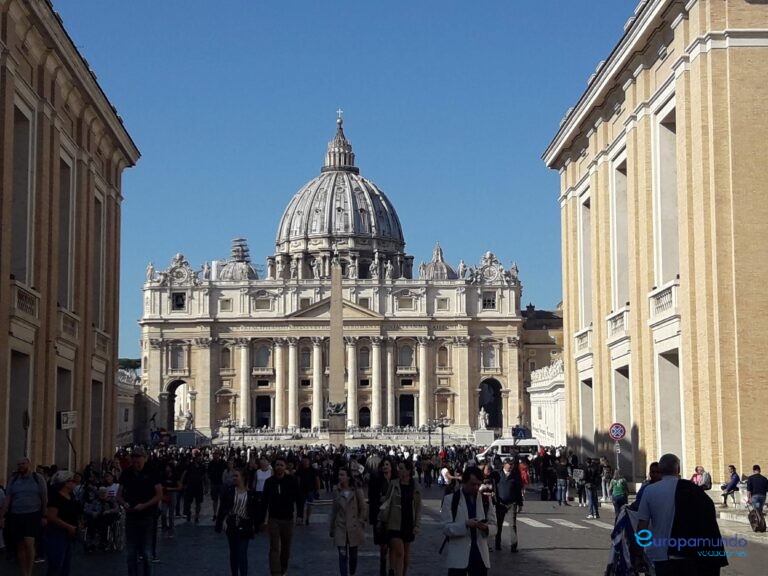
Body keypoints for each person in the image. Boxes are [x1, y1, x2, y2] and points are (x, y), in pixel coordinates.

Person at [637, 453, 727, 575]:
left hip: (658, 555)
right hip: (688, 555)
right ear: (678, 469)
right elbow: (708, 524)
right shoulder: (693, 490)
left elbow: (642, 525)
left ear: (660, 470)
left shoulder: (649, 490)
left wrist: (638, 553)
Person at [441, 466, 497, 576]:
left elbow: (494, 526)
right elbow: (446, 528)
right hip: (458, 558)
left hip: (480, 556)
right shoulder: (450, 500)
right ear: (464, 482)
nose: (476, 487)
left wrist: (486, 528)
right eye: (473, 484)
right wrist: (465, 525)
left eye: (478, 484)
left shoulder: (486, 500)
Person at [118, 447, 162, 576]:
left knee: (147, 553)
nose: (136, 465)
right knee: (130, 553)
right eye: (134, 462)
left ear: (145, 459)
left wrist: (144, 505)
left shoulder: (153, 472)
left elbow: (159, 495)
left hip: (147, 516)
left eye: (139, 462)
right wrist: (124, 503)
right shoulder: (126, 473)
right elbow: (119, 495)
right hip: (131, 516)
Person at [0, 457, 47, 576]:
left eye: (23, 463)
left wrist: (44, 515)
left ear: (29, 464)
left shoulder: (38, 479)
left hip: (33, 514)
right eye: (18, 464)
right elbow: (8, 498)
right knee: (20, 545)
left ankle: (30, 572)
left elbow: (44, 498)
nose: (20, 466)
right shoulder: (14, 479)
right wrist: (2, 516)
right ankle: (24, 573)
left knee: (29, 542)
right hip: (16, 514)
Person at [257, 457, 303, 576]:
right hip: (274, 518)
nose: (279, 467)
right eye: (277, 465)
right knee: (274, 547)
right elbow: (264, 502)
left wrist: (300, 515)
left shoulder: (292, 481)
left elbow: (299, 498)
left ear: (285, 467)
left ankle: (283, 568)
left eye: (281, 465)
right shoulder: (269, 482)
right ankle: (275, 572)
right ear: (274, 466)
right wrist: (261, 519)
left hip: (288, 518)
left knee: (286, 548)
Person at [381, 460, 422, 576]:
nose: (399, 470)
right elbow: (386, 502)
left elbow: (418, 508)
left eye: (402, 468)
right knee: (400, 552)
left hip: (408, 522)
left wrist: (417, 525)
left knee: (405, 554)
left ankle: (399, 572)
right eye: (398, 468)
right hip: (394, 522)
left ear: (408, 471)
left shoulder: (415, 486)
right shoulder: (393, 484)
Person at [216, 468, 258, 576]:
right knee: (234, 553)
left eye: (236, 476)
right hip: (232, 525)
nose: (234, 478)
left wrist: (256, 524)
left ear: (243, 477)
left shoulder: (251, 494)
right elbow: (223, 508)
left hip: (245, 525)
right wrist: (221, 522)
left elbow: (254, 511)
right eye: (233, 476)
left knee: (242, 553)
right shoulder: (229, 491)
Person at [330, 468, 366, 576]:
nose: (340, 477)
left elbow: (363, 507)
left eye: (342, 475)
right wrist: (332, 528)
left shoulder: (356, 491)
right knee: (342, 556)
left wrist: (360, 521)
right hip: (341, 527)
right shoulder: (336, 491)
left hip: (353, 527)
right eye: (339, 475)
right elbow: (334, 511)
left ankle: (352, 573)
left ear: (348, 477)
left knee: (353, 556)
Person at [44, 471, 80, 576]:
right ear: (65, 483)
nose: (75, 483)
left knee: (65, 565)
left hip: (68, 535)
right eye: (73, 480)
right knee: (56, 564)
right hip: (56, 533)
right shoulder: (56, 497)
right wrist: (68, 526)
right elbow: (51, 517)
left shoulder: (71, 496)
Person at [368, 457, 394, 576]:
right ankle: (383, 564)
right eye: (383, 465)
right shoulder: (376, 480)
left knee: (393, 544)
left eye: (387, 464)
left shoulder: (395, 480)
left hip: (394, 516)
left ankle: (392, 568)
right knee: (383, 545)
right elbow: (371, 499)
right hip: (381, 516)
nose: (385, 467)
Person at [493, 458, 522, 553]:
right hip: (500, 503)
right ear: (504, 465)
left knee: (513, 525)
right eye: (509, 464)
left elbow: (518, 490)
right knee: (499, 524)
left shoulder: (515, 475)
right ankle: (497, 544)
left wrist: (520, 503)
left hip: (512, 503)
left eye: (512, 465)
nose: (511, 466)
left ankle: (514, 546)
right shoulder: (498, 474)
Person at [297, 455, 320, 525]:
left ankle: (307, 518)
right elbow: (298, 480)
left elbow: (317, 480)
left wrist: (318, 489)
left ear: (309, 461)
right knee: (300, 505)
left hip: (311, 490)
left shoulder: (313, 470)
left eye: (306, 461)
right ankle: (300, 518)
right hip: (301, 490)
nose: (305, 462)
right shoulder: (300, 470)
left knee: (310, 505)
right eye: (303, 461)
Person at [208, 451, 227, 521]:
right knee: (215, 500)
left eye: (217, 454)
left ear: (219, 455)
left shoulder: (223, 462)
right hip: (214, 483)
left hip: (221, 484)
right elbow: (208, 473)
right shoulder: (211, 463)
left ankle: (221, 514)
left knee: (222, 500)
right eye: (214, 455)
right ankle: (215, 514)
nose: (215, 456)